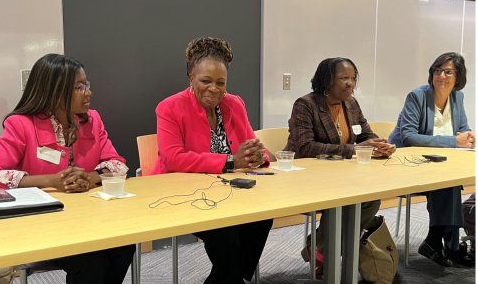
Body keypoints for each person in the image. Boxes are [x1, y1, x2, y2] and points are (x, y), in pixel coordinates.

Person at [0, 53, 135, 284]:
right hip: (42, 224)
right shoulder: (21, 124)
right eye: (79, 87)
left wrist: (90, 178)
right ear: (54, 91)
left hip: (89, 218)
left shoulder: (92, 120)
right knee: (91, 260)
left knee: (124, 246)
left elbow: (117, 164)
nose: (88, 92)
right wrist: (50, 181)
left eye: (86, 84)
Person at [152, 37, 272, 284]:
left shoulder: (234, 104)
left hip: (229, 194)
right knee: (225, 230)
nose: (214, 89)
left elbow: (253, 145)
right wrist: (231, 161)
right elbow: (174, 158)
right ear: (190, 78)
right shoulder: (169, 108)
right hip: (181, 196)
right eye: (205, 81)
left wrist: (258, 155)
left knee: (261, 218)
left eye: (221, 83)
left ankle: (227, 279)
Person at [284, 57, 396, 277]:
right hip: (306, 176)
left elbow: (365, 133)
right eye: (344, 78)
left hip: (343, 176)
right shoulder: (306, 105)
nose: (350, 84)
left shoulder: (351, 104)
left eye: (353, 78)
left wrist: (379, 144)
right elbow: (306, 147)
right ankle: (325, 252)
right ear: (327, 80)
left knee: (370, 199)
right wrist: (353, 149)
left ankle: (319, 249)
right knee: (347, 201)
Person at [389, 52, 475, 267]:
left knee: (450, 182)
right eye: (437, 70)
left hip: (439, 164)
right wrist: (455, 142)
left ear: (458, 77)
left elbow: (461, 128)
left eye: (448, 72)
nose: (441, 76)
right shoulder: (417, 96)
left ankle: (436, 242)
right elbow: (408, 136)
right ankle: (448, 246)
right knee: (448, 183)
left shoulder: (457, 97)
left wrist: (469, 136)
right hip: (405, 163)